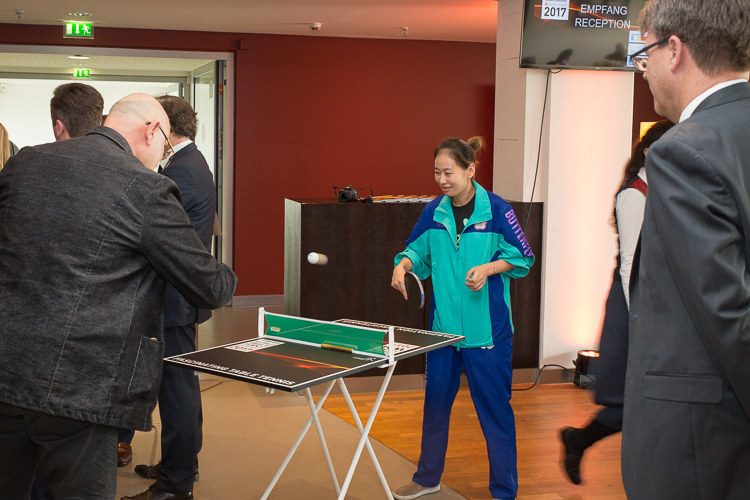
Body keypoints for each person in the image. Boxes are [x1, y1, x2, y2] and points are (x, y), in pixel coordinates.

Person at [0, 93, 237, 500]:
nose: (162, 157)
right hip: (78, 386)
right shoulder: (146, 188)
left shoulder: (26, 161)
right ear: (151, 131)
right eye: (163, 145)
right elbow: (210, 286)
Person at [622, 1, 750, 499]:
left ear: (674, 51)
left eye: (645, 52)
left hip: (699, 448)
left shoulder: (685, 150)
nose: (644, 69)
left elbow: (728, 315)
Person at [390, 137, 534, 500]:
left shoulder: (497, 210)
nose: (442, 179)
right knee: (435, 407)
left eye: (449, 172)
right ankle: (427, 478)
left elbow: (522, 258)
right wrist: (403, 266)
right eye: (437, 172)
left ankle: (504, 491)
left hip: (488, 334)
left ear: (470, 170)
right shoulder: (434, 212)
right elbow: (417, 251)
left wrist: (487, 268)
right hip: (443, 334)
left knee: (495, 415)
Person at [558, 120, 673, 485]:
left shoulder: (660, 189)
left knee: (648, 399)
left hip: (652, 303)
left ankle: (579, 440)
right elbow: (630, 267)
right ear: (652, 152)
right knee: (634, 399)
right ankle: (580, 440)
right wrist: (639, 318)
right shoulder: (633, 194)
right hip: (633, 305)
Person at [127, 95, 216, 500]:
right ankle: (182, 467)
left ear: (164, 126)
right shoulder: (189, 162)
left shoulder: (183, 170)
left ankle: (175, 485)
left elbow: (165, 240)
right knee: (180, 388)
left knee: (176, 393)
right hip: (180, 297)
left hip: (174, 300)